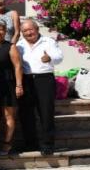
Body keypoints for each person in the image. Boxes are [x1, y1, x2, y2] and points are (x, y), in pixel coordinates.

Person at [16, 18, 63, 155]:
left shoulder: (48, 42)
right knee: (26, 112)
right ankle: (30, 143)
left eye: (31, 29)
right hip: (26, 79)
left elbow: (59, 57)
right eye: (25, 31)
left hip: (44, 79)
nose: (28, 33)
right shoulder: (20, 45)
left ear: (37, 29)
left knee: (46, 112)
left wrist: (50, 58)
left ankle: (48, 144)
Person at [0, 19, 23, 155]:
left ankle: (7, 143)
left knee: (8, 115)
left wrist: (19, 85)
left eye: (1, 29)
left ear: (5, 31)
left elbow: (18, 66)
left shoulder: (10, 46)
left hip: (8, 83)